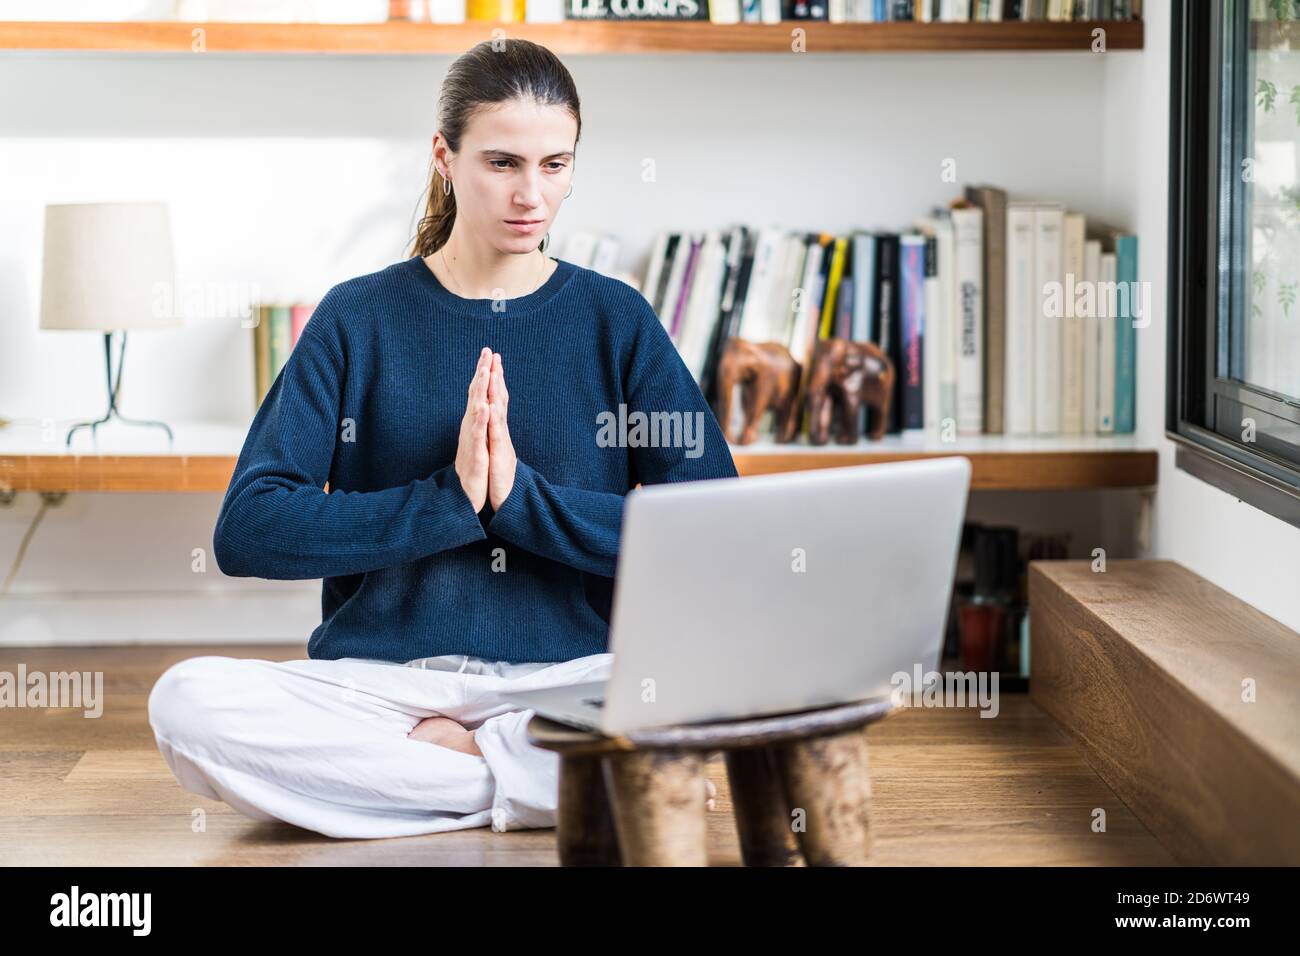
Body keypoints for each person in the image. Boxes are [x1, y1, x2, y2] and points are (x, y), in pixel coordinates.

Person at [147, 38, 737, 840]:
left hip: (568, 679)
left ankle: (445, 775)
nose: (532, 195)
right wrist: (446, 503)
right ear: (444, 156)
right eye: (503, 162)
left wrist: (520, 502)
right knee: (187, 703)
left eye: (555, 165)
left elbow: (716, 538)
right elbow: (249, 529)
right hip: (382, 686)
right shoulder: (359, 317)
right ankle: (541, 779)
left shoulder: (615, 319)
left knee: (704, 690)